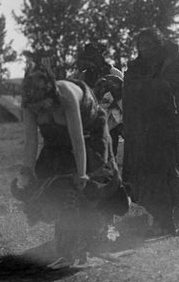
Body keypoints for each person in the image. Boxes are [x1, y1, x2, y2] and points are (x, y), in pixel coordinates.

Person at [12, 56, 129, 268]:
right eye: (36, 108)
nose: (40, 111)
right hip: (56, 140)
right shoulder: (29, 103)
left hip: (90, 134)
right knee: (55, 188)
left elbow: (77, 141)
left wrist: (83, 174)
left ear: (51, 94)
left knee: (90, 186)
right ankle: (70, 249)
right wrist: (26, 171)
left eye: (44, 105)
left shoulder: (66, 96)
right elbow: (31, 141)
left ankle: (94, 237)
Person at [122, 28, 179, 235]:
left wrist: (152, 88)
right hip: (146, 131)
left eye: (149, 45)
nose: (144, 49)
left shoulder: (173, 64)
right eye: (141, 46)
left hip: (171, 129)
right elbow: (129, 95)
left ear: (159, 45)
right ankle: (161, 220)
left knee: (175, 172)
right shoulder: (135, 68)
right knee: (151, 176)